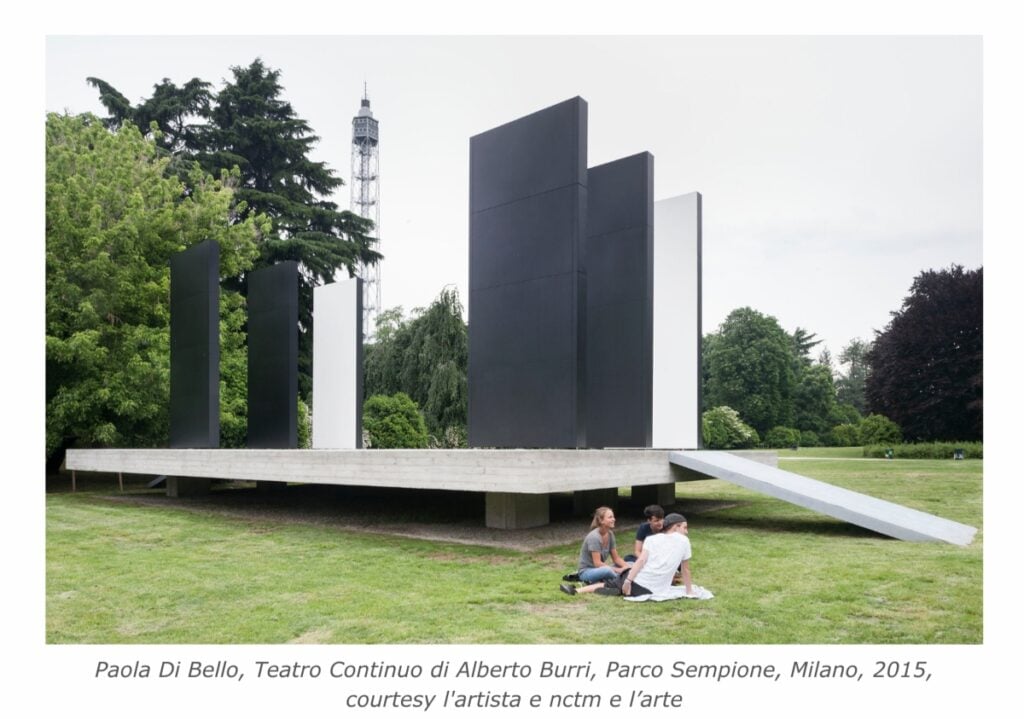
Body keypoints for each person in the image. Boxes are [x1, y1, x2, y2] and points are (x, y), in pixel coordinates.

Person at [620, 512, 695, 600]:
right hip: (651, 588)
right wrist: (689, 591)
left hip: (639, 584)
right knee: (624, 570)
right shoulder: (684, 541)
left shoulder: (651, 539)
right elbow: (685, 569)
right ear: (675, 527)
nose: (686, 532)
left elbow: (641, 561)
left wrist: (628, 581)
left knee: (621, 575)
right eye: (684, 528)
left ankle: (609, 578)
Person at [560, 506, 631, 596]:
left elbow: (616, 558)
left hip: (599, 570)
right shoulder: (594, 537)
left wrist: (628, 568)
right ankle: (620, 582)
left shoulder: (610, 534)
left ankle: (602, 584)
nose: (614, 519)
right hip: (586, 572)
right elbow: (597, 564)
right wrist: (620, 571)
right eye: (610, 517)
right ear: (601, 521)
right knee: (607, 570)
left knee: (629, 563)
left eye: (613, 517)